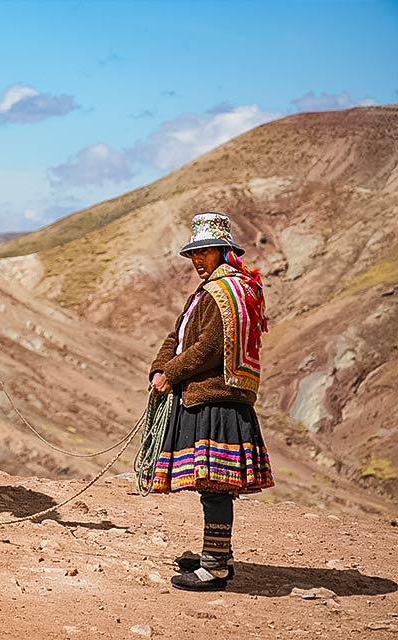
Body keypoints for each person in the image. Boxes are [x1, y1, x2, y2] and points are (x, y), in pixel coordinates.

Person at [148, 212, 274, 591]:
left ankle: (215, 565)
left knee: (215, 485)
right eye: (194, 254)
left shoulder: (225, 292)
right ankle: (216, 554)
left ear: (223, 251)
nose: (197, 261)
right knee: (211, 485)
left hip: (219, 401)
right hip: (204, 397)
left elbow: (207, 348)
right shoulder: (208, 293)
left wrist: (170, 374)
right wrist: (158, 368)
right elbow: (179, 335)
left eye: (204, 252)